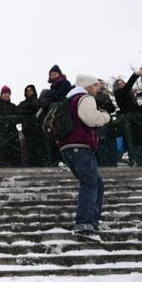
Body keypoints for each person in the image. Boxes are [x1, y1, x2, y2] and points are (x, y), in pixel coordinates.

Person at [57, 74, 112, 241]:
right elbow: (90, 119)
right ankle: (84, 224)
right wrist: (105, 116)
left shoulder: (69, 100)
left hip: (67, 148)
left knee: (97, 184)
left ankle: (92, 221)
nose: (97, 88)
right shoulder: (85, 98)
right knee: (90, 183)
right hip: (80, 146)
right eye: (95, 85)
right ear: (87, 85)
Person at [37, 65, 72, 165]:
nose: (53, 76)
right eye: (51, 74)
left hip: (62, 111)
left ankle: (63, 159)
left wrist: (49, 94)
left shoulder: (65, 83)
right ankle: (55, 159)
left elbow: (61, 95)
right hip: (53, 111)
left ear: (59, 74)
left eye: (55, 74)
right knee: (53, 136)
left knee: (61, 136)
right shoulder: (53, 86)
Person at [17, 85, 43, 167]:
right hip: (28, 129)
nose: (29, 92)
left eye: (31, 90)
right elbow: (17, 110)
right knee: (29, 150)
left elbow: (38, 106)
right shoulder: (23, 103)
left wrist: (27, 109)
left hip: (40, 129)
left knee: (41, 149)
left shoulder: (39, 101)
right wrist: (30, 109)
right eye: (27, 91)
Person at [94, 82, 118, 167]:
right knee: (102, 142)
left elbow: (112, 108)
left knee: (107, 143)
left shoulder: (105, 96)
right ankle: (105, 163)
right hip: (99, 122)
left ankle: (109, 162)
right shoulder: (92, 96)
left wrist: (106, 106)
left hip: (106, 122)